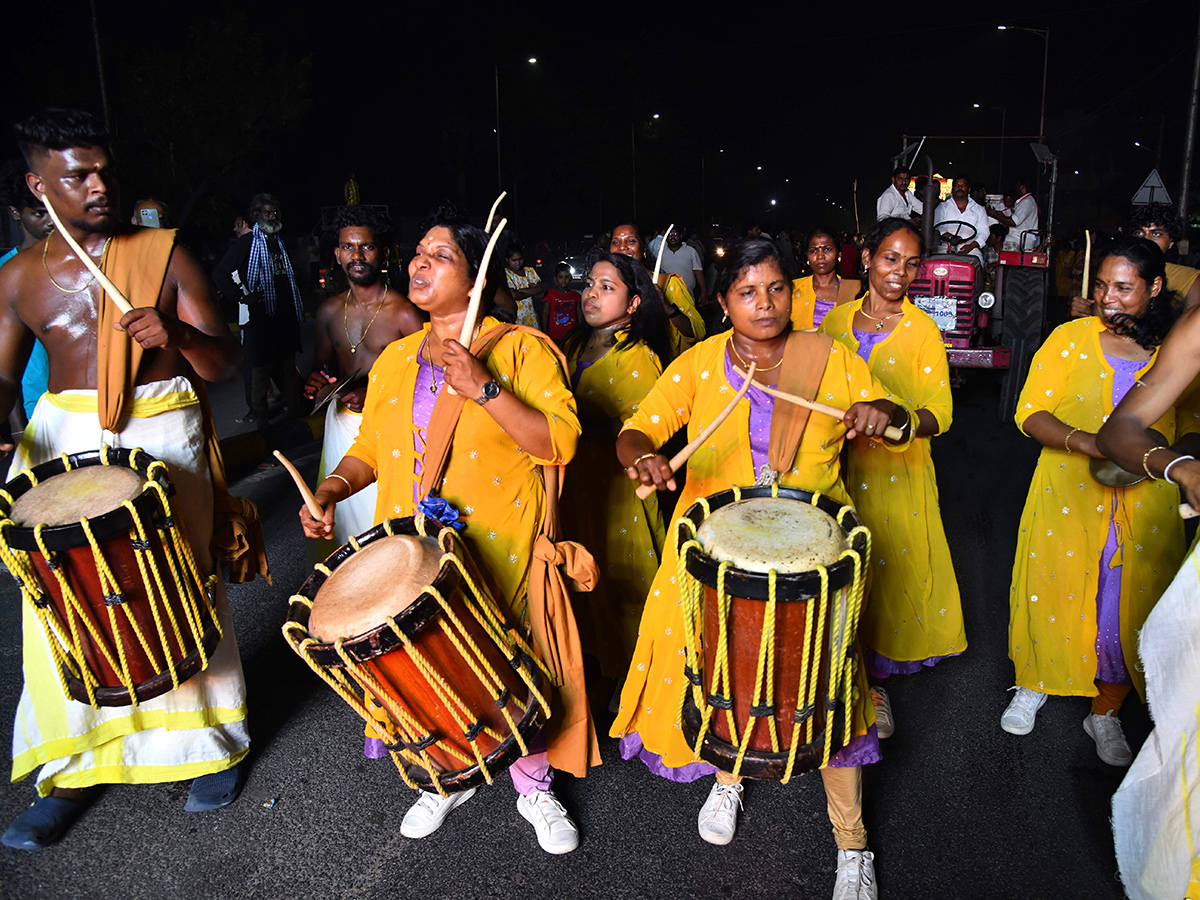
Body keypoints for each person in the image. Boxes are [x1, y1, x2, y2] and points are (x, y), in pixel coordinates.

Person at [613, 236, 915, 900]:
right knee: (728, 675)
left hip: (815, 561)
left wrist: (881, 412)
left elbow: (900, 418)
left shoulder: (828, 358)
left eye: (777, 288)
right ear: (722, 302)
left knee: (830, 693)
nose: (766, 303)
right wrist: (643, 458)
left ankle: (852, 843)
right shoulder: (696, 365)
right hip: (718, 562)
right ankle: (729, 781)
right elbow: (636, 430)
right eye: (747, 292)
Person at [0, 108, 264, 850]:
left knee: (179, 585)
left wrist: (176, 336)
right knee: (66, 605)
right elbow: (1, 378)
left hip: (158, 432)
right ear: (36, 184)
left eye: (104, 170)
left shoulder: (167, 255)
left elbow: (226, 365)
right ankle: (75, 766)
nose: (99, 186)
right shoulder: (19, 278)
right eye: (76, 174)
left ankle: (213, 743)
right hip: (61, 440)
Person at [298, 204, 587, 855]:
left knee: (513, 663)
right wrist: (331, 488)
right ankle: (442, 776)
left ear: (475, 274)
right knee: (428, 663)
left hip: (501, 552)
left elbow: (560, 444)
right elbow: (370, 445)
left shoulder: (520, 350)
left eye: (440, 255)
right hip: (415, 555)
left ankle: (533, 785)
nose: (419, 264)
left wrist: (486, 389)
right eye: (419, 254)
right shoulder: (398, 358)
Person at [1001, 237, 1186, 768]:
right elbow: (1030, 413)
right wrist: (1091, 443)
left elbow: (1191, 427)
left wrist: (1167, 459)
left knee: (1124, 602)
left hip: (1146, 504)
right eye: (1102, 286)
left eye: (1124, 288)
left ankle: (1104, 711)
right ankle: (1035, 683)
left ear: (1153, 288)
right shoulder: (1070, 338)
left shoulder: (1172, 350)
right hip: (1067, 493)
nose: (1108, 298)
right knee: (1054, 586)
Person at [818, 218, 965, 738]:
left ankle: (873, 692)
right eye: (889, 258)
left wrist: (896, 416)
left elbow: (939, 414)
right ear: (867, 260)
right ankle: (834, 681)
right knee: (835, 579)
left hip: (897, 477)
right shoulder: (833, 324)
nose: (900, 271)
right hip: (833, 473)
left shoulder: (922, 331)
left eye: (911, 262)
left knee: (882, 579)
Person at [560, 251, 672, 684]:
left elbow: (640, 428)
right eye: (590, 284)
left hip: (619, 490)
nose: (592, 294)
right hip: (574, 484)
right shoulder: (570, 345)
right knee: (582, 573)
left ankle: (637, 675)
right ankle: (595, 664)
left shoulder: (640, 357)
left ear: (633, 304)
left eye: (607, 288)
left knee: (625, 577)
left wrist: (574, 422)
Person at [302, 205, 422, 551]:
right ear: (338, 254)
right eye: (348, 247)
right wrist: (317, 385)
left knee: (384, 528)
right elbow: (321, 369)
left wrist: (374, 395)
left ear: (382, 253)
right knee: (343, 528)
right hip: (341, 427)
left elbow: (427, 380)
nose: (357, 255)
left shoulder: (404, 312)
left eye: (366, 247)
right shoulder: (328, 312)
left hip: (388, 429)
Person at [213, 192, 304, 435]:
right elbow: (220, 273)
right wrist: (240, 296)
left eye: (275, 212)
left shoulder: (280, 243)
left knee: (287, 371)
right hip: (261, 321)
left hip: (284, 319)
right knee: (259, 372)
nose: (272, 216)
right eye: (267, 213)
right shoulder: (248, 243)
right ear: (257, 215)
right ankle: (262, 421)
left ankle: (294, 417)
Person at [1, 161, 54, 423]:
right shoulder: (5, 271)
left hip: (87, 403)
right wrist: (17, 427)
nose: (50, 221)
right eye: (39, 213)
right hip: (35, 407)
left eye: (54, 211)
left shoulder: (80, 263)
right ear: (16, 212)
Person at [609, 220, 705, 356]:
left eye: (631, 241)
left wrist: (667, 308)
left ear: (644, 249)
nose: (622, 247)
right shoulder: (607, 287)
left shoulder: (669, 284)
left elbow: (697, 332)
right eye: (616, 242)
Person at [791, 226, 861, 331]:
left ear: (839, 255)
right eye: (813, 250)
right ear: (807, 256)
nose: (820, 256)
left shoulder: (855, 291)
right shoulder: (793, 289)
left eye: (827, 249)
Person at [933, 175, 991, 268]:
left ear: (968, 190)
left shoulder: (979, 209)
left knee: (978, 264)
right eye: (957, 185)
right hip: (945, 246)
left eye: (963, 185)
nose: (960, 188)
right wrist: (951, 237)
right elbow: (937, 227)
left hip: (970, 247)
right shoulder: (942, 207)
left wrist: (970, 246)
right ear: (952, 189)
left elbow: (984, 232)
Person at [658, 225, 708, 304]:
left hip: (687, 296)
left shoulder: (691, 251)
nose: (672, 237)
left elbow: (698, 272)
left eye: (675, 234)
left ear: (680, 236)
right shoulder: (661, 253)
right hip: (667, 299)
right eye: (670, 235)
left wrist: (704, 292)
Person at [988, 176, 1039, 251]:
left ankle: (995, 261)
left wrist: (994, 214)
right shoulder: (1025, 201)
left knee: (994, 241)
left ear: (1022, 187)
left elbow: (1013, 222)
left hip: (1021, 239)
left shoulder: (1027, 202)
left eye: (1017, 185)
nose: (1016, 187)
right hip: (1017, 236)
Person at [503, 244, 544, 329]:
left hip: (532, 316)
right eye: (514, 260)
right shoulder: (506, 273)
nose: (517, 263)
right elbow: (514, 295)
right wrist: (531, 289)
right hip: (517, 318)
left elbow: (539, 289)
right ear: (507, 260)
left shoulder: (530, 271)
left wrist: (520, 290)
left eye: (520, 259)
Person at [540, 262, 580, 343]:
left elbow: (579, 314)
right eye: (560, 277)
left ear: (571, 278)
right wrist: (545, 333)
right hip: (555, 335)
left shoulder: (575, 295)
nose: (564, 280)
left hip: (572, 335)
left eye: (567, 277)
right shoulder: (550, 293)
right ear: (555, 278)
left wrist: (580, 331)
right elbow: (545, 313)